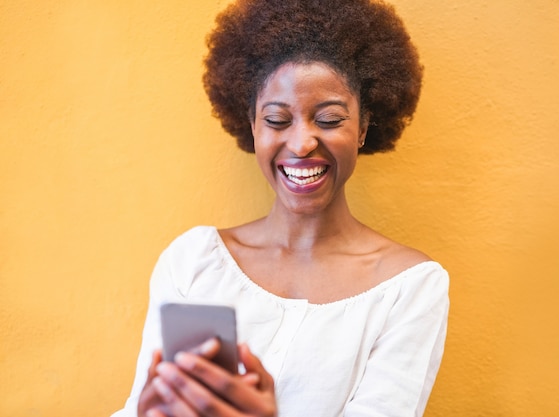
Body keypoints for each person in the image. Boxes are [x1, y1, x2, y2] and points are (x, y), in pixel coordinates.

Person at [112, 0, 449, 415]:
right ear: (251, 125)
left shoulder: (408, 288)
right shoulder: (194, 261)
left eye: (328, 120)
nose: (302, 142)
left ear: (363, 128)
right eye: (276, 120)